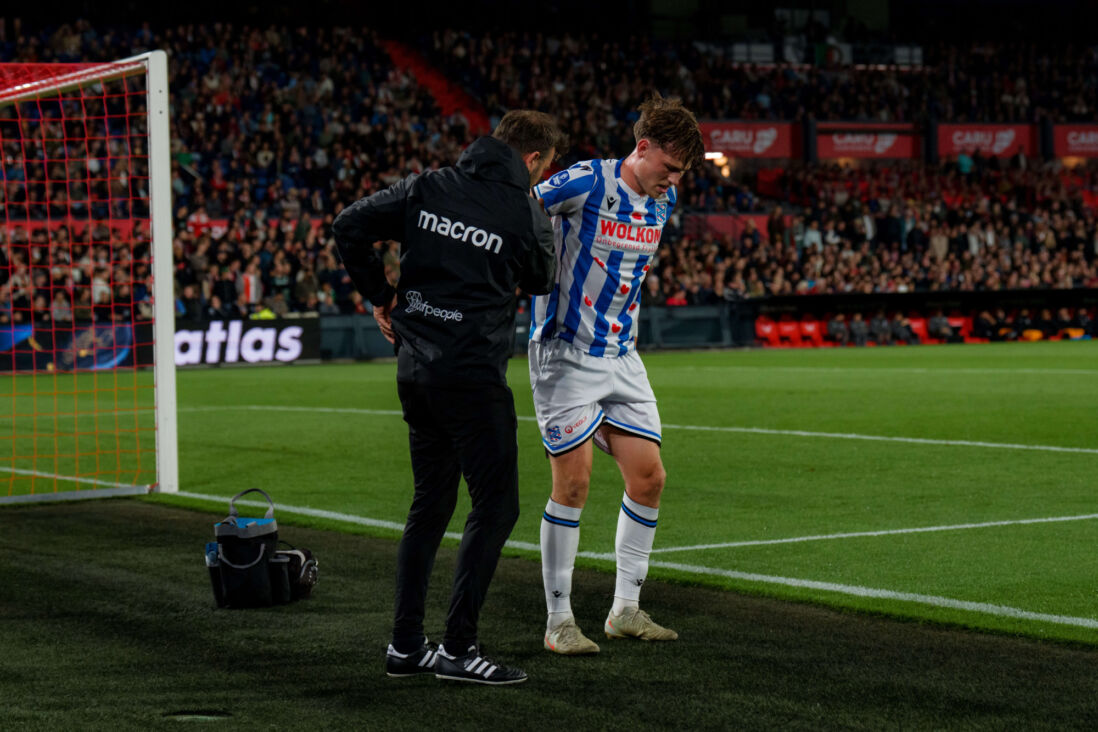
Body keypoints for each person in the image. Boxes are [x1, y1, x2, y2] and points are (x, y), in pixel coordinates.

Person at [333, 110, 563, 685]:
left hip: (415, 371)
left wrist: (380, 295)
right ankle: (459, 649)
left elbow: (348, 225)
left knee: (430, 505)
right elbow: (540, 279)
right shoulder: (523, 210)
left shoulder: (428, 186)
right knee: (497, 506)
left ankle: (407, 646)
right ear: (533, 160)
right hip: (473, 377)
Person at [528, 93, 704, 655]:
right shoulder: (584, 182)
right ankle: (559, 621)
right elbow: (520, 208)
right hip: (565, 354)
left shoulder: (659, 203)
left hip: (622, 356)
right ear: (643, 147)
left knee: (650, 478)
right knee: (573, 483)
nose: (673, 181)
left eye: (682, 174)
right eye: (670, 168)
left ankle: (624, 609)